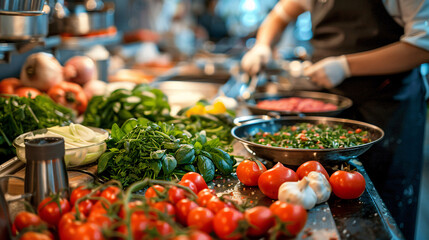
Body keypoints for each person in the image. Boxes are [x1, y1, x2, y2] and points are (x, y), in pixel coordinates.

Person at [241, 0, 429, 239]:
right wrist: (262, 45)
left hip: (388, 105)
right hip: (331, 103)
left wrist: (346, 66)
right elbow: (281, 12)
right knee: (329, 202)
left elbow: (423, 44)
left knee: (388, 205)